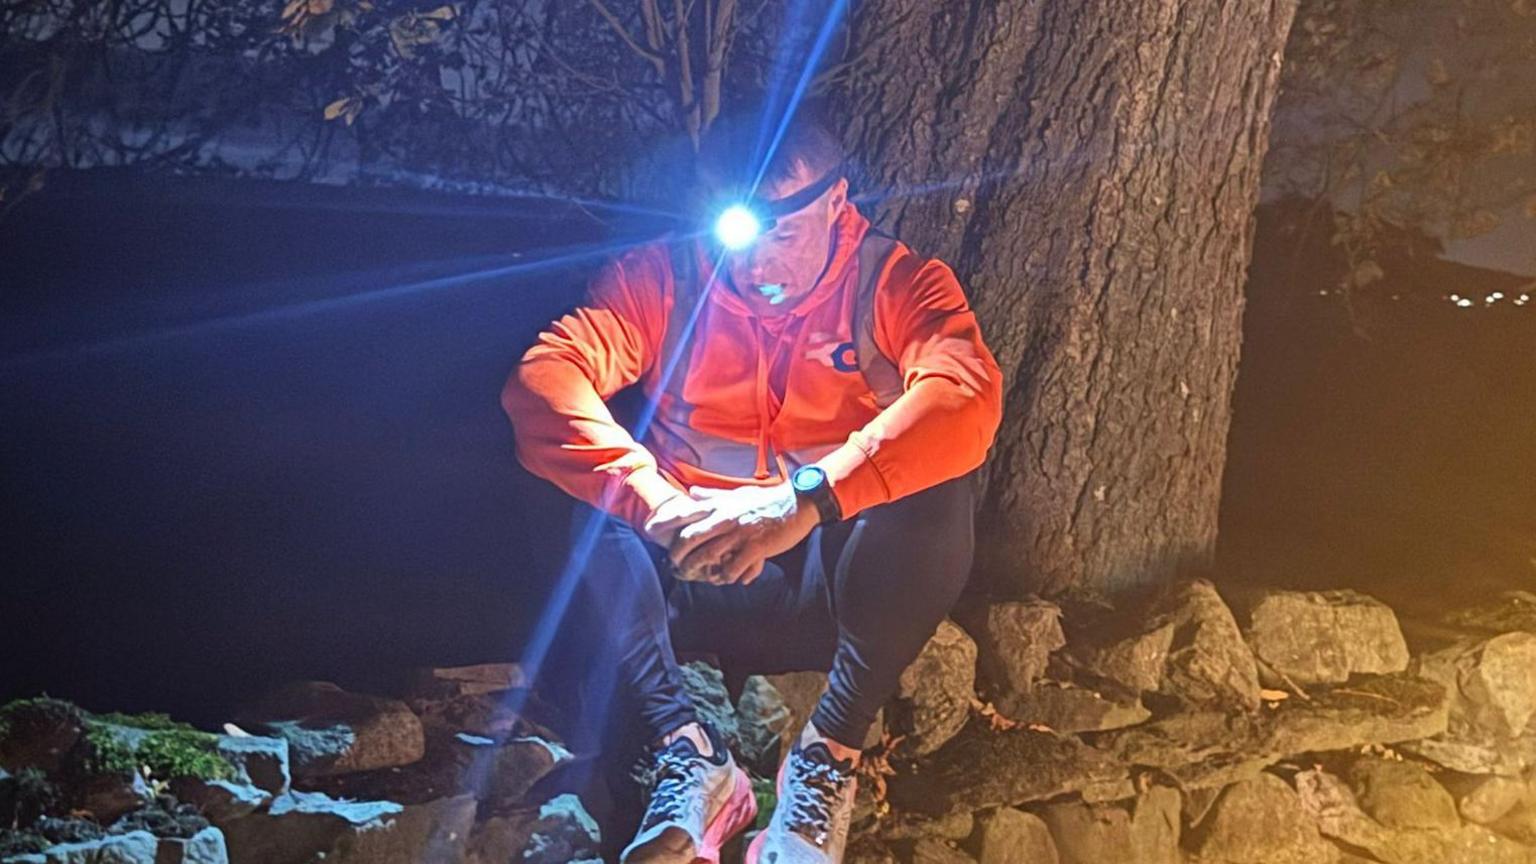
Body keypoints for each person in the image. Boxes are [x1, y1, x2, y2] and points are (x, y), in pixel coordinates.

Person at [501, 109, 1003, 864]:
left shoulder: (895, 283)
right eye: (735, 231)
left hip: (826, 581)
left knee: (938, 482)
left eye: (784, 230)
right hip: (687, 569)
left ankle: (826, 759)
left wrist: (802, 499)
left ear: (836, 203)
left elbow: (966, 395)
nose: (756, 261)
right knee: (567, 480)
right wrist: (659, 503)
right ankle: (690, 755)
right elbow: (544, 380)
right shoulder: (661, 278)